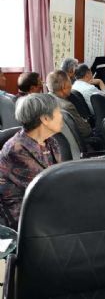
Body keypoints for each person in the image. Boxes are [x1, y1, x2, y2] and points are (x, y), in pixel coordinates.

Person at [0, 94, 63, 229]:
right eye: (59, 112)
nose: (62, 116)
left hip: (47, 207)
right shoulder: (16, 150)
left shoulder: (51, 141)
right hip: (24, 218)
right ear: (45, 119)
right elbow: (46, 189)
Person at [46, 70, 92, 139]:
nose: (71, 85)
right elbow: (86, 131)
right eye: (70, 81)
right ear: (64, 86)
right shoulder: (67, 106)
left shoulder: (44, 101)